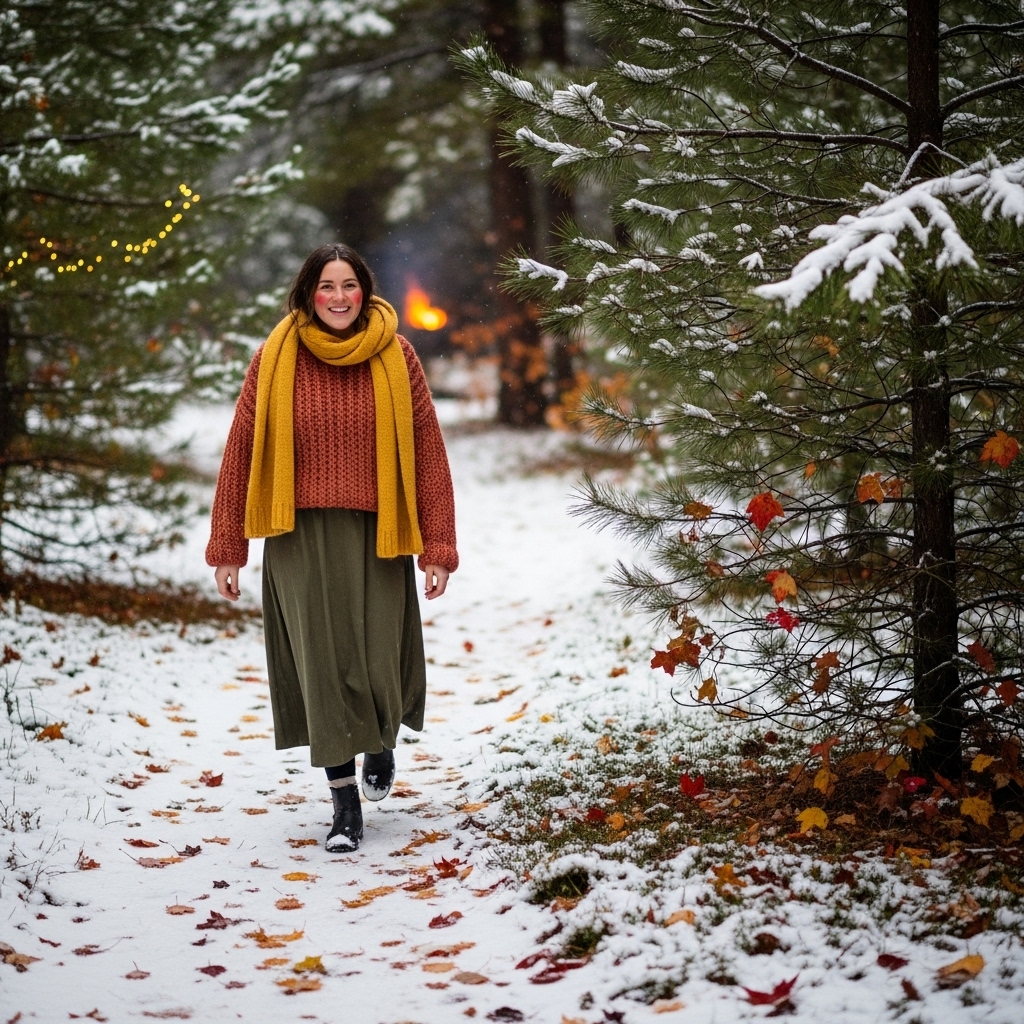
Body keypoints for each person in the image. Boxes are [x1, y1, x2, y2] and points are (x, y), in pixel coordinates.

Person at [206, 243, 458, 852]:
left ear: (365, 291)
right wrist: (227, 545)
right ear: (306, 294)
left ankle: (380, 743)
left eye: (349, 286)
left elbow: (427, 448)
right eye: (326, 287)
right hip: (297, 535)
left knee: (376, 658)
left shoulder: (397, 355)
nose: (339, 298)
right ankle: (344, 803)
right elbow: (241, 447)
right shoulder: (273, 359)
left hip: (380, 531)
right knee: (322, 667)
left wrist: (440, 545)